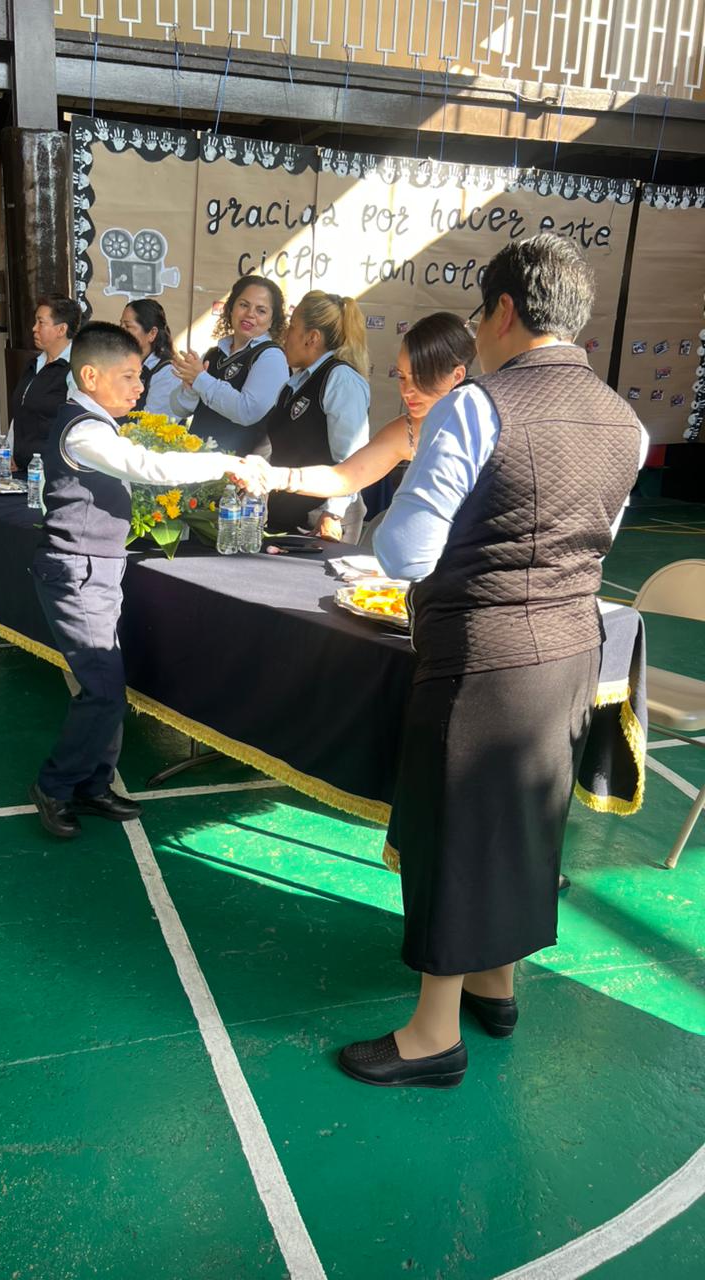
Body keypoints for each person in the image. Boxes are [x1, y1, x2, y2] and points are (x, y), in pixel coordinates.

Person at [286, 235, 646, 1089]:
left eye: (482, 313)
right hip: (572, 651)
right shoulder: (624, 422)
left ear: (505, 311)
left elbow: (407, 553)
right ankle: (496, 984)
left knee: (449, 835)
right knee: (525, 823)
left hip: (480, 657)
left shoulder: (476, 408)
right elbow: (598, 535)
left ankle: (432, 1036)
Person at [29, 322, 267, 840]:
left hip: (96, 567)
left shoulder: (97, 421)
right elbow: (146, 466)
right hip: (77, 569)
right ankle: (56, 784)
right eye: (130, 376)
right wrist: (225, 463)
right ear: (90, 377)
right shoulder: (84, 431)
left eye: (140, 376)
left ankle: (93, 784)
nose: (140, 387)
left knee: (108, 685)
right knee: (103, 690)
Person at [263, 313, 475, 531]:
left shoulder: (479, 427)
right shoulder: (406, 430)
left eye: (421, 377)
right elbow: (346, 476)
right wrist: (276, 477)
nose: (407, 391)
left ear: (457, 375)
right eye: (402, 377)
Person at [264, 291, 372, 543]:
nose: (285, 335)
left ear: (312, 337)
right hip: (288, 515)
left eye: (292, 327)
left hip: (323, 521)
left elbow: (352, 457)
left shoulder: (340, 379)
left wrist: (333, 513)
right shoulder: (295, 383)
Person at [170, 274, 288, 454]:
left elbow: (247, 412)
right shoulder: (214, 353)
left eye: (261, 311)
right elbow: (180, 410)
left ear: (272, 320)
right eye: (244, 305)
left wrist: (200, 379)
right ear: (231, 308)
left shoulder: (271, 357)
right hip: (198, 459)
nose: (250, 314)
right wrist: (191, 388)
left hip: (236, 465)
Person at [8, 294, 81, 471]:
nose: (34, 328)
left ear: (61, 329)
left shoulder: (74, 369)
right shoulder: (34, 364)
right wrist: (9, 451)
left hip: (52, 471)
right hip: (22, 468)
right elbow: (20, 413)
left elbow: (75, 423)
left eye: (41, 322)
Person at [120, 299, 180, 419]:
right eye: (120, 325)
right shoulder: (122, 362)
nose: (121, 331)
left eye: (128, 326)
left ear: (152, 333)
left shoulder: (167, 371)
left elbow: (152, 423)